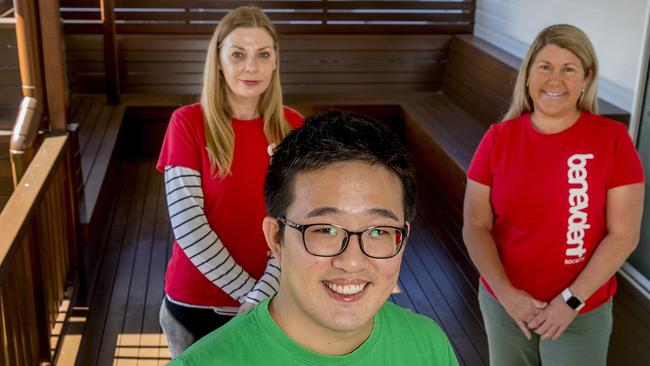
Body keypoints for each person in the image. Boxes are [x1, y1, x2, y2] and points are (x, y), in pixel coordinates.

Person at [169, 111, 459, 365]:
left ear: (403, 238)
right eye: (325, 230)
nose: (352, 262)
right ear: (275, 239)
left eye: (378, 231)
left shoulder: (428, 344)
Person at [463, 24, 645, 366]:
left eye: (569, 69)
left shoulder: (613, 140)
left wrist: (571, 301)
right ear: (528, 74)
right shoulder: (498, 139)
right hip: (507, 305)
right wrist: (507, 295)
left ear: (586, 79)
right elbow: (475, 226)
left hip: (581, 309)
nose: (554, 80)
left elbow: (624, 235)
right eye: (544, 66)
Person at [156, 6, 304, 357]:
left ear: (274, 62)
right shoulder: (188, 123)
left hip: (273, 304)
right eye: (238, 54)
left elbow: (295, 222)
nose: (251, 66)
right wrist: (251, 298)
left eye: (262, 55)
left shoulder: (294, 127)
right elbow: (189, 227)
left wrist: (262, 296)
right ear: (218, 61)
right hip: (197, 308)